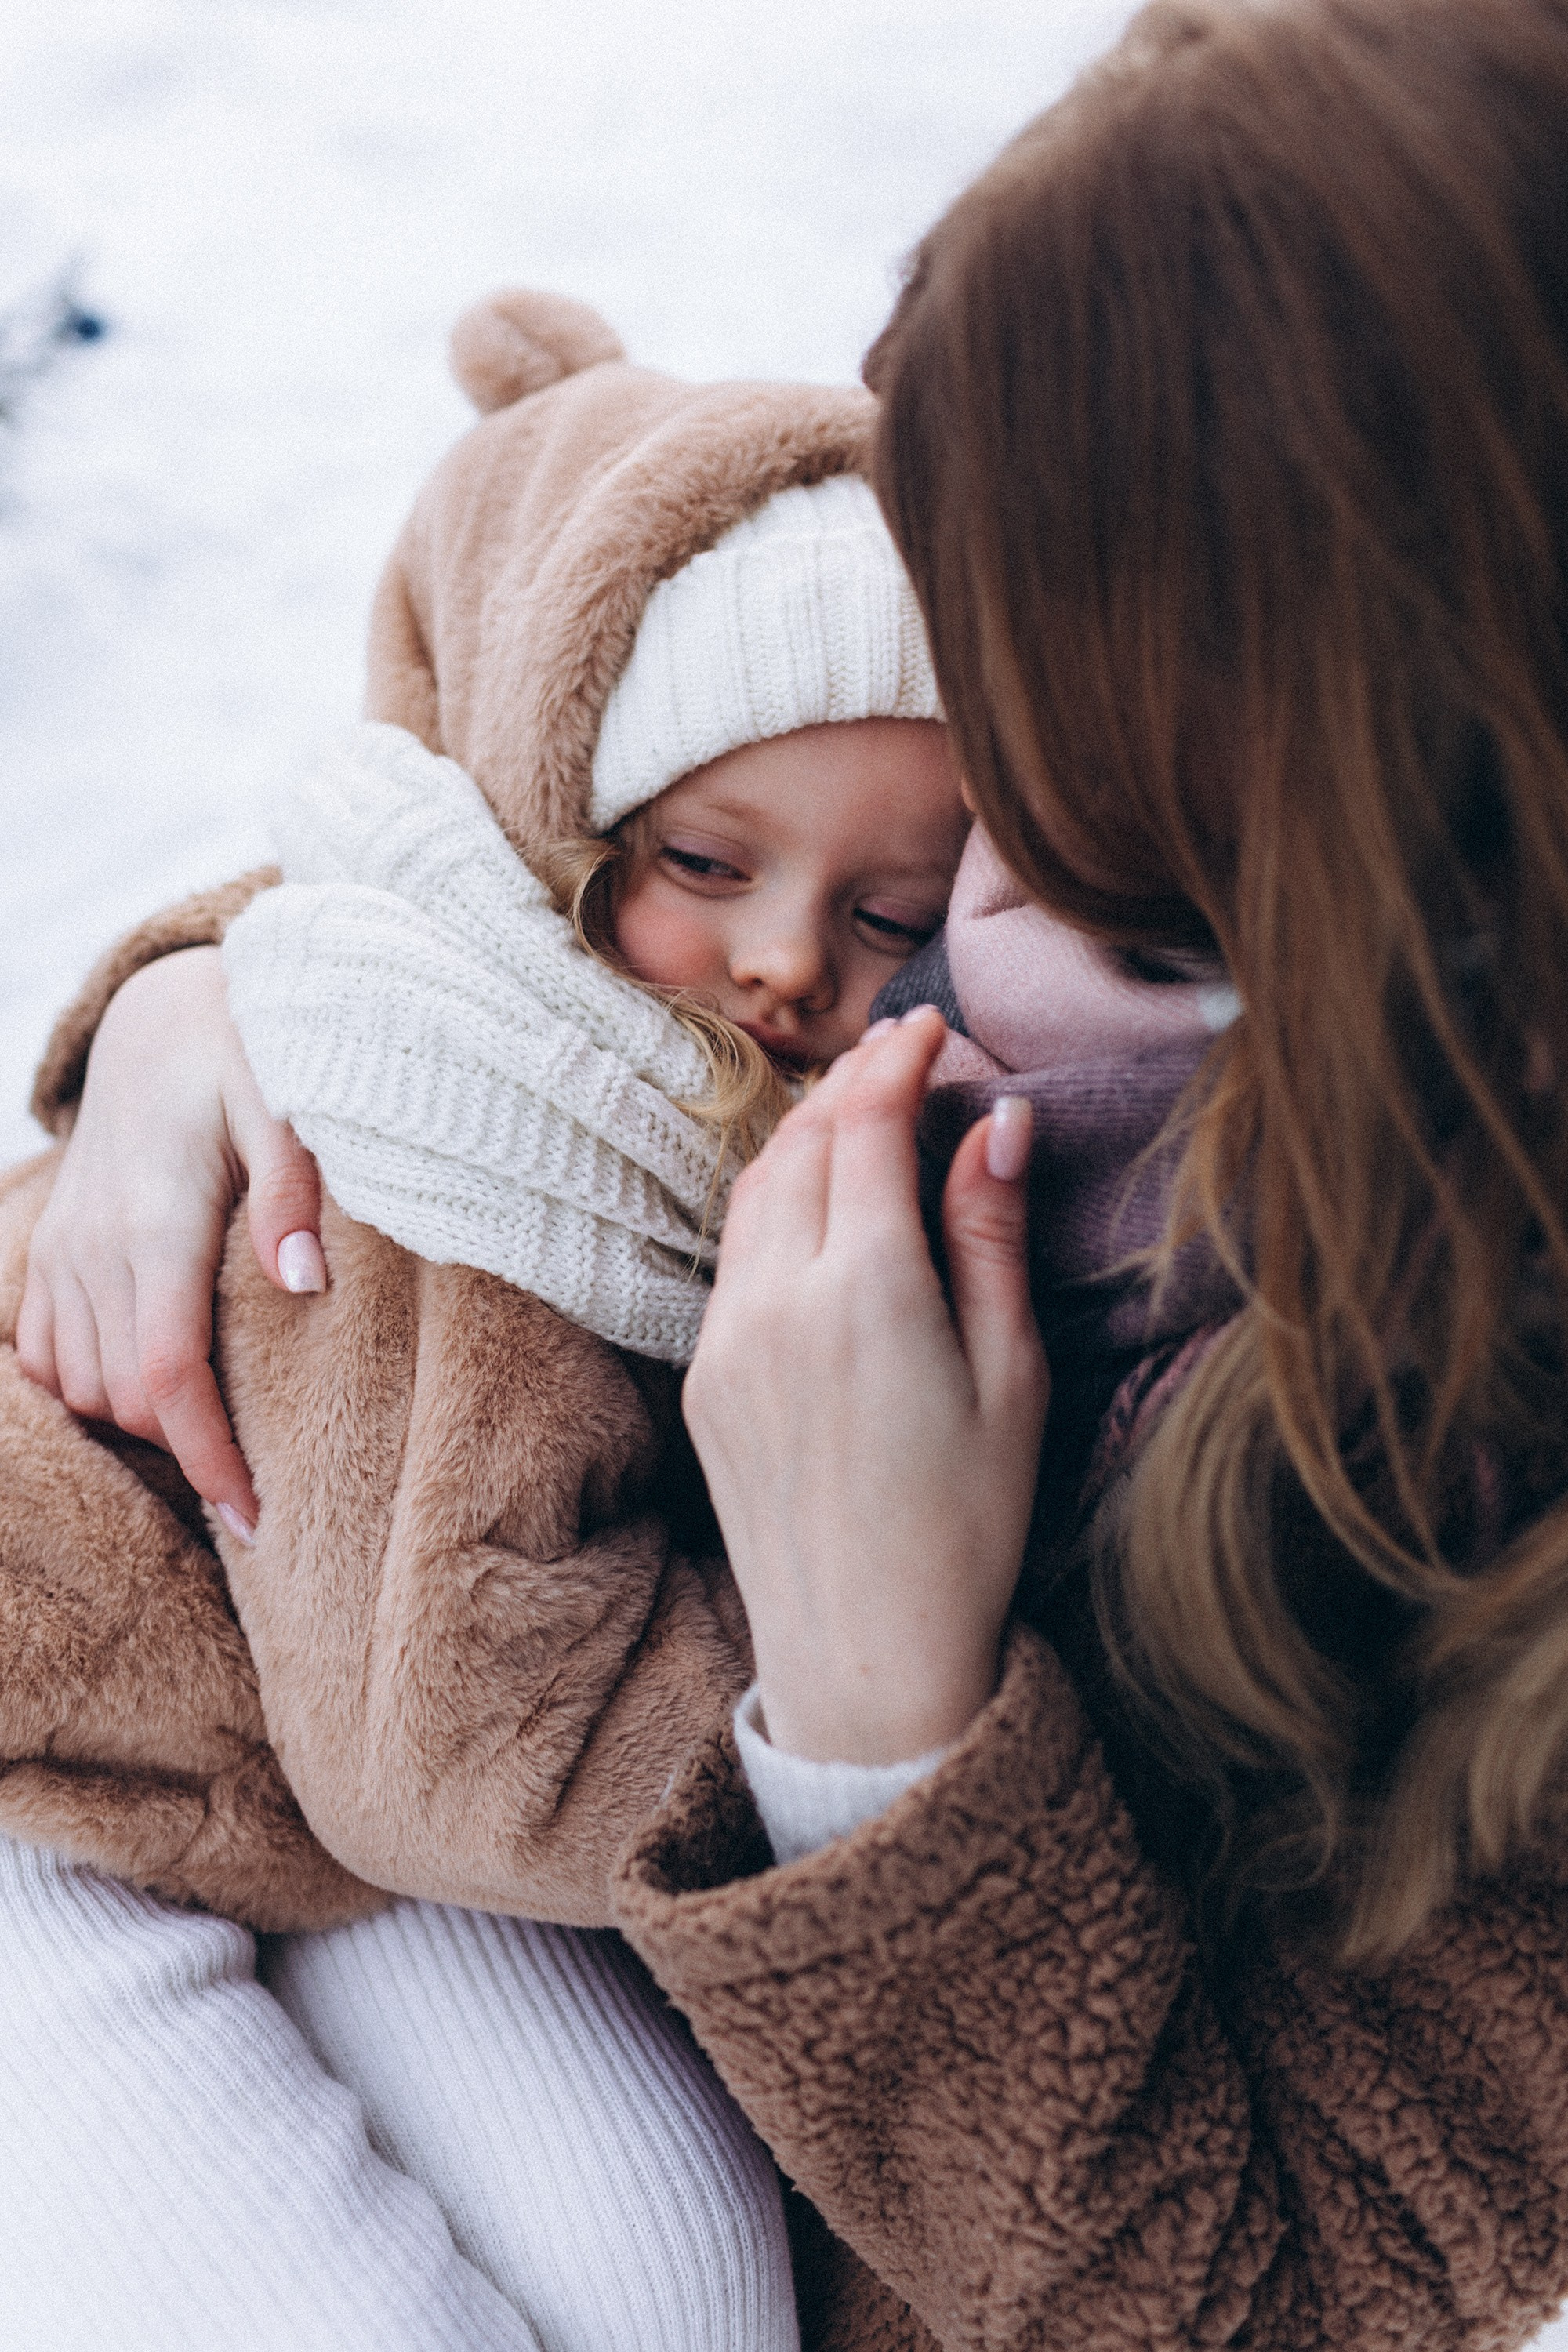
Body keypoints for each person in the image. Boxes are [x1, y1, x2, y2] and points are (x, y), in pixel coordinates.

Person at [20, 0, 1568, 2347]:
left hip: (483, 1848)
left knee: (660, 2279)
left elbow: (1258, 2284)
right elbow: (542, 844)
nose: (876, 978)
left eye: (1085, 890)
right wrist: (221, 989)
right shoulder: (997, 878)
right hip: (165, 1703)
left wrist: (886, 1719)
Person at [0, 289, 964, 2351]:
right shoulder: (476, 1140)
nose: (792, 962)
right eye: (707, 857)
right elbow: (456, 1756)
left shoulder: (670, 1080)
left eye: (894, 914)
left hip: (274, 1734)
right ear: (559, 807)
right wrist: (870, 1703)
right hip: (73, 1705)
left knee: (683, 2282)